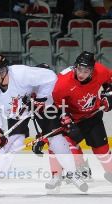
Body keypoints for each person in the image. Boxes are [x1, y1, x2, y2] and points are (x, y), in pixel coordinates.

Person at [0, 54, 88, 195]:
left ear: (3, 71)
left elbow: (50, 76)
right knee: (14, 142)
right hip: (18, 110)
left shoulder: (20, 73)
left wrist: (41, 98)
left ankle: (73, 173)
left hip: (39, 104)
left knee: (56, 139)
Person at [51, 51, 112, 186]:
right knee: (67, 144)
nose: (81, 74)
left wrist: (108, 94)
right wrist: (64, 115)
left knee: (101, 150)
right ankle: (81, 169)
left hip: (93, 115)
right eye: (79, 69)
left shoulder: (100, 71)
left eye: (86, 71)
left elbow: (110, 81)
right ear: (75, 66)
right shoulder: (63, 81)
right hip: (74, 120)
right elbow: (57, 103)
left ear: (92, 70)